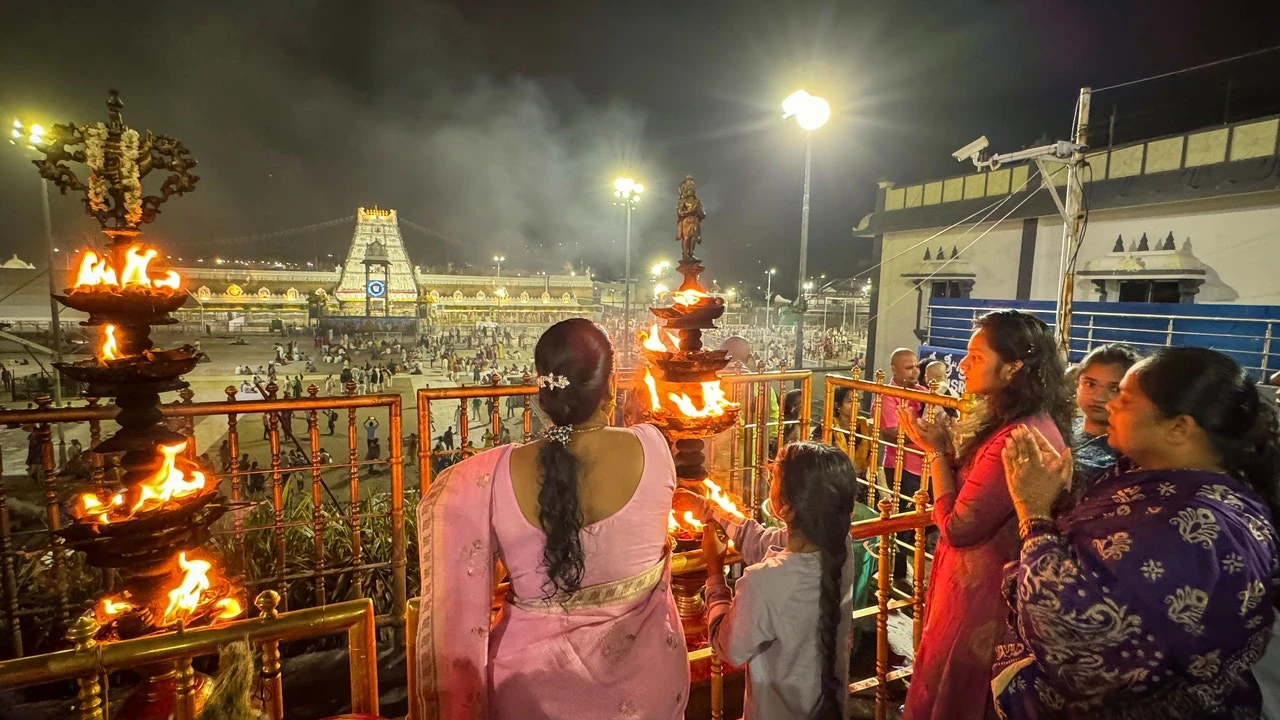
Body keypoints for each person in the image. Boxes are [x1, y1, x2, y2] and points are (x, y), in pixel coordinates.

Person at [413, 318, 688, 719]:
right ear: (610, 386)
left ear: (543, 395)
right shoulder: (653, 447)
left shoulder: (491, 476)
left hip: (533, 695)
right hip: (648, 692)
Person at [994, 346, 1280, 718]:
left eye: (1124, 398)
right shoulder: (1152, 478)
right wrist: (1059, 499)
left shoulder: (1194, 528)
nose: (1108, 405)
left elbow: (1082, 641)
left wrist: (1033, 511)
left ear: (1179, 427)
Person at [897, 309, 1072, 720]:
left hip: (984, 597)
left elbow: (959, 527)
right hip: (982, 586)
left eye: (976, 357)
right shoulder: (1017, 422)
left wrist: (937, 453)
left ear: (1012, 368)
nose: (962, 364)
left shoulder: (1016, 437)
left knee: (960, 694)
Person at [677, 442, 858, 720]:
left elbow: (728, 647)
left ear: (785, 508)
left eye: (774, 476)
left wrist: (714, 572)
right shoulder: (840, 548)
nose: (769, 475)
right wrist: (709, 510)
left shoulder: (764, 581)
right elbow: (761, 541)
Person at [1069, 343, 1141, 492]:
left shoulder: (1129, 454)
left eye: (1114, 389)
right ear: (1077, 383)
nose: (1099, 397)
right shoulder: (1064, 427)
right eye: (1090, 384)